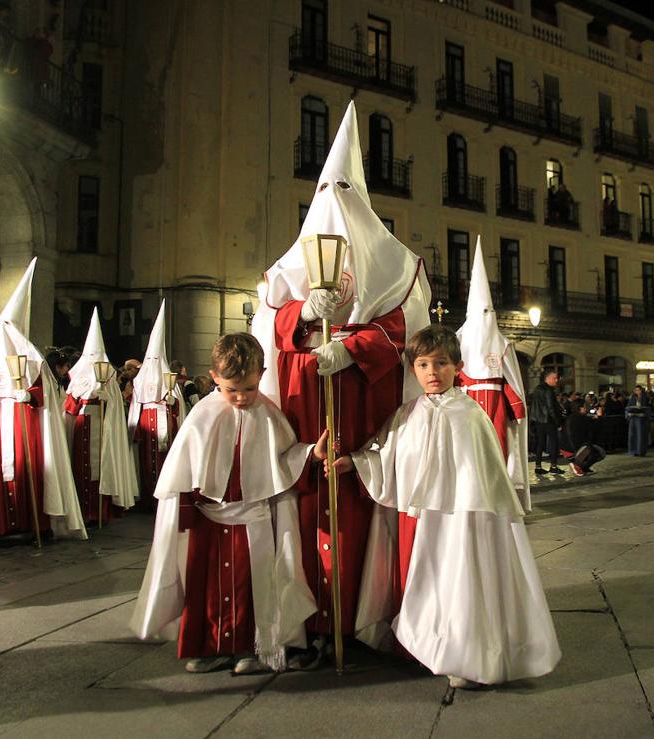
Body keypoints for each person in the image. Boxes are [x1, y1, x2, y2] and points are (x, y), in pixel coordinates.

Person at [251, 101, 431, 666]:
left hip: (365, 405)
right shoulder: (288, 268)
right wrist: (304, 313)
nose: (336, 205)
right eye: (327, 193)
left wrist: (350, 346)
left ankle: (361, 616)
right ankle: (311, 621)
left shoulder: (398, 265)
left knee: (359, 506)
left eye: (345, 193)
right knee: (308, 507)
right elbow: (267, 323)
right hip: (309, 405)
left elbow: (406, 329)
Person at [328, 325, 561, 689]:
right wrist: (353, 462)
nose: (432, 373)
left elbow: (482, 475)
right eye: (422, 365)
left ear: (458, 367)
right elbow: (385, 453)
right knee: (418, 585)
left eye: (440, 363)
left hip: (457, 522)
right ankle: (419, 646)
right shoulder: (406, 414)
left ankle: (458, 651)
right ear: (413, 369)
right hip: (415, 519)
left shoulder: (470, 415)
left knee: (453, 583)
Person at [130, 333, 321, 674]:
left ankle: (249, 647)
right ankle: (208, 646)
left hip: (254, 520)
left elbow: (284, 461)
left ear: (261, 375)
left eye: (249, 388)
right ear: (215, 377)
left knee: (252, 586)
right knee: (205, 587)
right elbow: (183, 469)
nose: (242, 397)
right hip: (210, 519)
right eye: (232, 389)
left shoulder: (270, 415)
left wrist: (309, 455)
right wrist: (186, 509)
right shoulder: (202, 415)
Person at [0, 259, 86, 544]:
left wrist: (28, 395)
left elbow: (46, 396)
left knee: (31, 470)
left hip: (27, 426)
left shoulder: (32, 359)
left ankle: (34, 522)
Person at [456, 236, 529, 508]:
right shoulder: (459, 340)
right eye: (482, 311)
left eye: (490, 312)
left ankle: (498, 493)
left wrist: (516, 406)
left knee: (498, 446)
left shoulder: (502, 343)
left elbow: (508, 379)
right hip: (466, 401)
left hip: (496, 402)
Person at [63, 308, 139, 526]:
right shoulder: (76, 377)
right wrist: (79, 399)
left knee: (101, 468)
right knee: (80, 467)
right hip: (81, 426)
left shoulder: (110, 377)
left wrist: (108, 398)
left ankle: (99, 511)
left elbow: (115, 408)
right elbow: (69, 406)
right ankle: (82, 509)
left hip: (102, 427)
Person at [128, 301, 187, 506]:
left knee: (164, 459)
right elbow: (136, 406)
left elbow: (178, 408)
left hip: (164, 422)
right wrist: (134, 431)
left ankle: (165, 495)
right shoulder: (139, 380)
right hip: (146, 424)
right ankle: (146, 497)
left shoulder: (169, 379)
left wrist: (172, 403)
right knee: (145, 462)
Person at [531, 369, 565, 474]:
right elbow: (551, 408)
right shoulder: (549, 390)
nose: (556, 380)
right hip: (548, 420)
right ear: (548, 378)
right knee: (554, 442)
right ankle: (553, 466)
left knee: (540, 443)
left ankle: (538, 466)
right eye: (554, 378)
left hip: (538, 420)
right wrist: (558, 422)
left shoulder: (537, 388)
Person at [625, 385, 651, 456]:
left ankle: (641, 451)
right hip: (633, 419)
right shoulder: (632, 398)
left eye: (639, 390)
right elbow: (627, 407)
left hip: (641, 420)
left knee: (640, 435)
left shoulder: (645, 398)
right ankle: (633, 451)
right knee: (633, 435)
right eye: (636, 390)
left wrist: (644, 414)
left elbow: (648, 408)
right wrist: (629, 413)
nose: (637, 392)